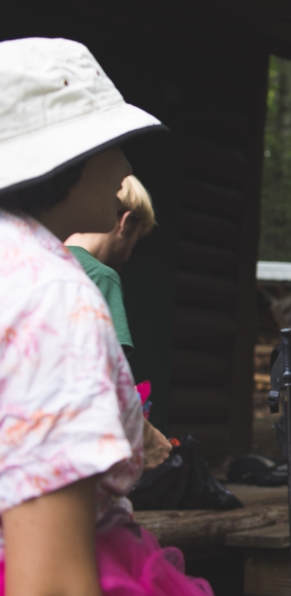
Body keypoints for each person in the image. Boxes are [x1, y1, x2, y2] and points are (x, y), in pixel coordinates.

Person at [0, 36, 212, 595]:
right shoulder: (49, 296)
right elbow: (49, 581)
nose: (124, 168)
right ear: (64, 158)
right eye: (110, 144)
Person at [65, 175, 172, 472]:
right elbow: (108, 377)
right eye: (135, 241)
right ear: (125, 223)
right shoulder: (102, 276)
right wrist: (145, 435)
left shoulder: (35, 260)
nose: (130, 253)